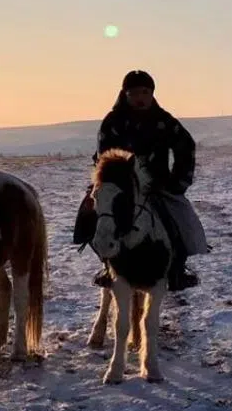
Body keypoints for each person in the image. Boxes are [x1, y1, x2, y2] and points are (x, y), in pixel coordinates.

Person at [77, 69, 208, 291]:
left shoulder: (164, 121)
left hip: (158, 185)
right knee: (91, 216)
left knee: (183, 220)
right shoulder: (113, 122)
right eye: (134, 93)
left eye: (145, 92)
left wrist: (178, 182)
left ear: (152, 94)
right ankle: (108, 265)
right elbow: (104, 157)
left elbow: (186, 146)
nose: (140, 98)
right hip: (120, 187)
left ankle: (177, 268)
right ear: (125, 94)